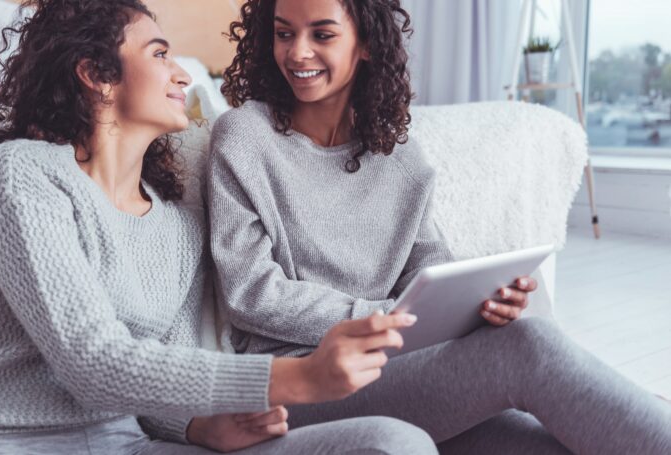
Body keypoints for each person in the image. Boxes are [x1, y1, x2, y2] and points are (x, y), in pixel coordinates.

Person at [0, 1, 441, 454]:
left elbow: (160, 371)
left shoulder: (176, 227)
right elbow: (93, 360)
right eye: (160, 53)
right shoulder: (19, 175)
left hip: (120, 441)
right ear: (97, 73)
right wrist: (295, 378)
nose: (180, 73)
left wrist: (195, 428)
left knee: (393, 442)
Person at [208, 0, 671, 453]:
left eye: (322, 35)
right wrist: (380, 318)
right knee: (527, 347)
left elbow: (429, 266)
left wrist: (481, 303)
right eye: (284, 33)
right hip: (303, 380)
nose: (298, 52)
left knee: (562, 436)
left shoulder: (399, 156)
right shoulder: (244, 137)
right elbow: (251, 294)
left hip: (400, 366)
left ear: (366, 43)